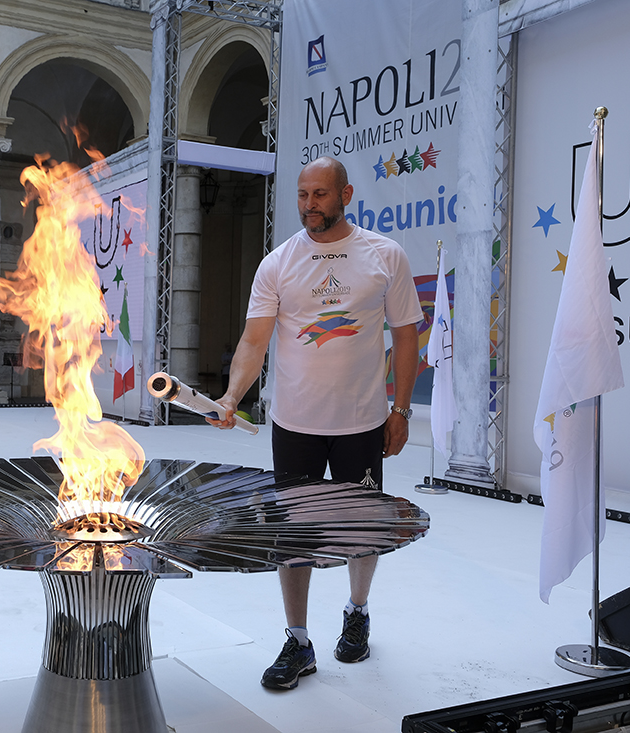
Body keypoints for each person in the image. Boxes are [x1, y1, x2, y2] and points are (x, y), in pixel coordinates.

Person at [208, 156, 422, 690]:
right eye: (303, 195)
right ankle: (298, 640)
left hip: (363, 422)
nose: (310, 205)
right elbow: (254, 340)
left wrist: (401, 411)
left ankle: (357, 610)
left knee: (364, 528)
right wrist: (234, 395)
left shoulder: (384, 256)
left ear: (345, 194)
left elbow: (406, 337)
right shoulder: (278, 264)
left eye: (321, 195)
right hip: (296, 423)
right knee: (293, 534)